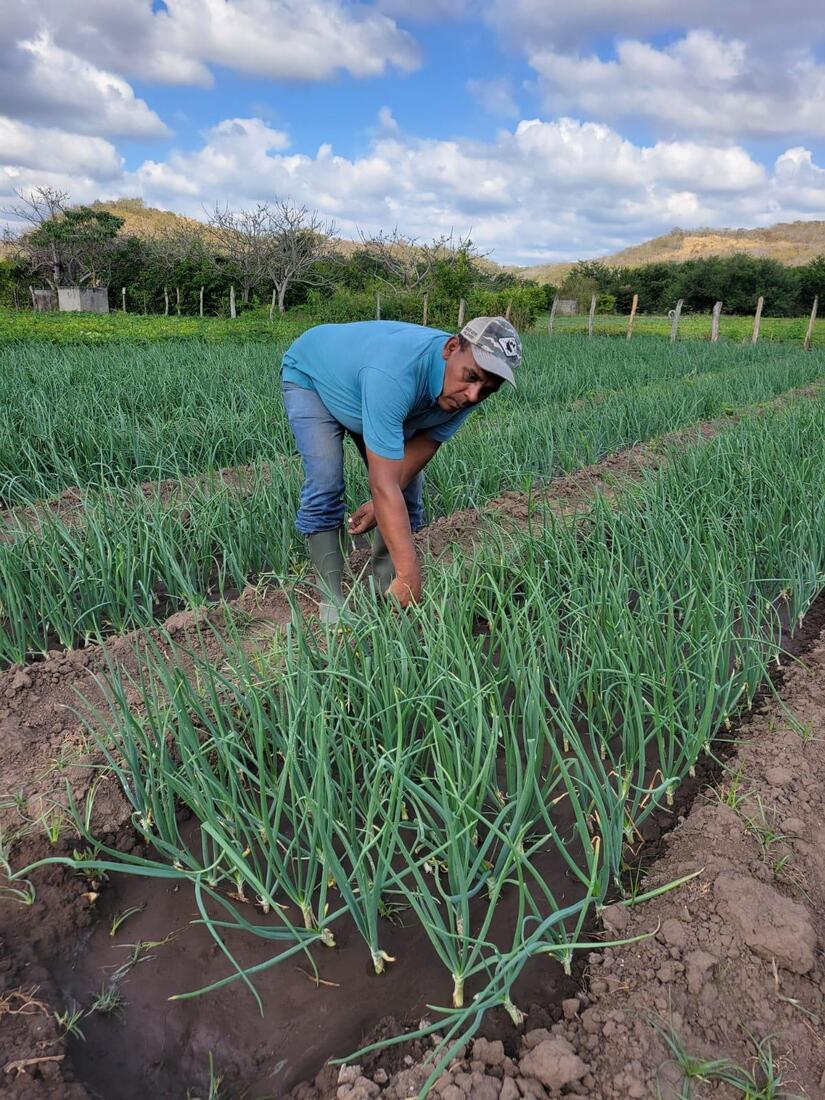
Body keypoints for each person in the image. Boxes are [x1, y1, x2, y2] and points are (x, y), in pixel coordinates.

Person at [280, 315, 522, 621]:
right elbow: (384, 485)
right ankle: (331, 600)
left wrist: (379, 506)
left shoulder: (466, 395)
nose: (473, 396)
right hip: (313, 377)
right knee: (326, 480)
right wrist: (411, 573)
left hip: (367, 389)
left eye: (487, 389)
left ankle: (386, 592)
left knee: (405, 494)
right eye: (471, 377)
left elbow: (415, 458)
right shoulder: (396, 374)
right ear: (450, 348)